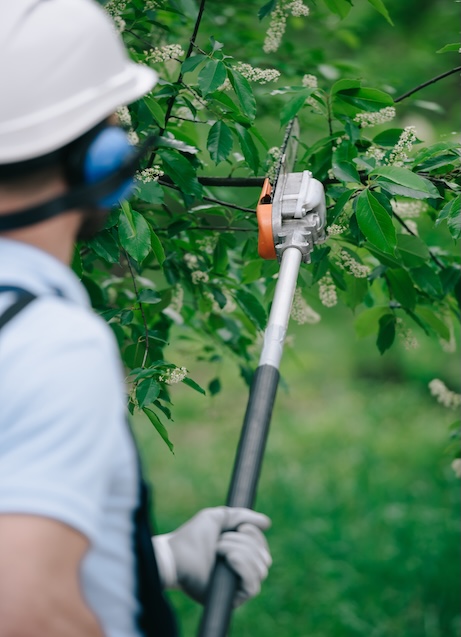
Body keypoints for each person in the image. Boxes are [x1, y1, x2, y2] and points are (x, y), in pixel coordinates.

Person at [0, 2, 272, 636]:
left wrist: (162, 560)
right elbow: (25, 610)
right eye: (112, 125)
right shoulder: (48, 344)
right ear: (99, 161)